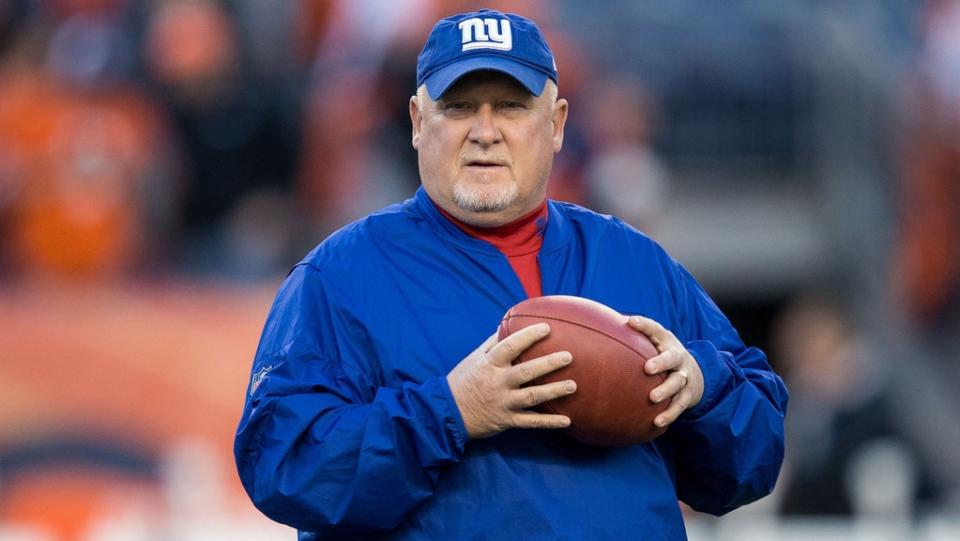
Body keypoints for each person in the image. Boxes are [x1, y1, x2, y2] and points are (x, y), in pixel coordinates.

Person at [234, 9, 787, 540]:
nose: (485, 131)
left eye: (511, 106)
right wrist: (449, 411)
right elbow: (283, 466)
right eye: (458, 107)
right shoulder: (340, 277)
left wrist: (702, 386)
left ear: (557, 124)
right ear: (417, 123)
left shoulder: (636, 262)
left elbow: (751, 462)